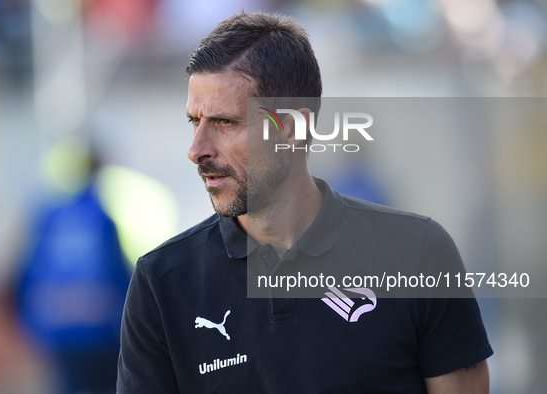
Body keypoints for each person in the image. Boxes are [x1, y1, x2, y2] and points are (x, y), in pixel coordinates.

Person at [117, 11, 493, 393]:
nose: (196, 149)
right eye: (194, 122)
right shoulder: (162, 284)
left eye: (224, 122)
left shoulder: (418, 252)